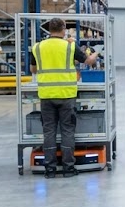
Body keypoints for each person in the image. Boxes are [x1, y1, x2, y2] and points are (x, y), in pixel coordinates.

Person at [30, 18, 100, 178]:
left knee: (49, 131)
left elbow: (33, 69)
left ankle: (50, 170)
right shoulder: (70, 45)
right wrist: (96, 53)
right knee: (68, 131)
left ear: (49, 30)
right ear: (63, 29)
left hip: (46, 95)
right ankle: (68, 169)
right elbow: (89, 61)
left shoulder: (38, 47)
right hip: (67, 94)